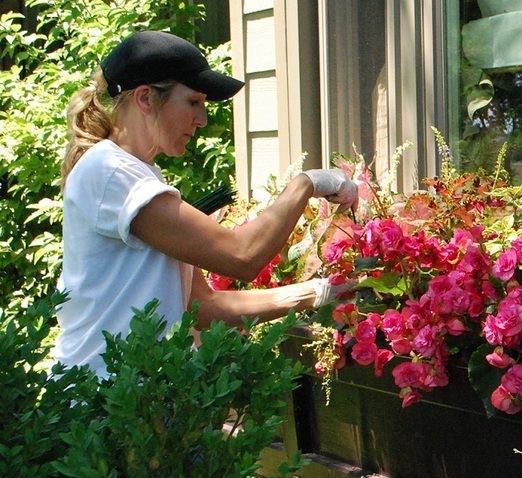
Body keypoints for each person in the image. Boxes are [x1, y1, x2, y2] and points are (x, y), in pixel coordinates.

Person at [52, 30, 359, 375]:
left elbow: (204, 306)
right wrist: (307, 183)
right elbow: (242, 255)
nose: (203, 119)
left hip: (138, 402)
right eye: (193, 101)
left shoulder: (137, 176)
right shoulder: (109, 172)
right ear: (145, 98)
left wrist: (320, 292)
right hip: (101, 404)